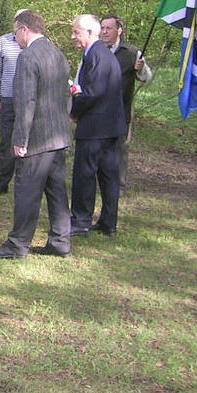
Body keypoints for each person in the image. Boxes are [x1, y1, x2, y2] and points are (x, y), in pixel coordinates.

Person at [0, 11, 73, 258]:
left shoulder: (28, 57)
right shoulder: (57, 54)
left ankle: (17, 244)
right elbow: (66, 96)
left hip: (36, 139)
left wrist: (20, 140)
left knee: (26, 190)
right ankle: (60, 241)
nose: (15, 38)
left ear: (24, 29)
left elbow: (26, 102)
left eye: (15, 32)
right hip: (57, 137)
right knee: (57, 192)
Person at [69, 14, 126, 237]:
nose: (73, 36)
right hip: (108, 127)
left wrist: (74, 112)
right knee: (108, 176)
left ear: (90, 32)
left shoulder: (96, 55)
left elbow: (92, 92)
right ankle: (108, 222)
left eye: (76, 32)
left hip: (95, 127)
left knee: (85, 175)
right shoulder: (101, 54)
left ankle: (81, 221)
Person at [99, 15, 153, 189]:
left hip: (122, 108)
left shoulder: (131, 52)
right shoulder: (95, 50)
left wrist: (140, 68)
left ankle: (119, 183)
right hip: (97, 108)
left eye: (108, 28)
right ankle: (98, 179)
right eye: (102, 28)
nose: (104, 32)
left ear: (119, 30)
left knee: (120, 147)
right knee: (98, 146)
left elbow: (146, 78)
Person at [0, 9, 27, 197]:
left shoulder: (36, 43)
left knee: (26, 142)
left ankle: (24, 183)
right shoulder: (4, 41)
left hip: (29, 100)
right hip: (8, 99)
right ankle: (1, 183)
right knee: (7, 143)